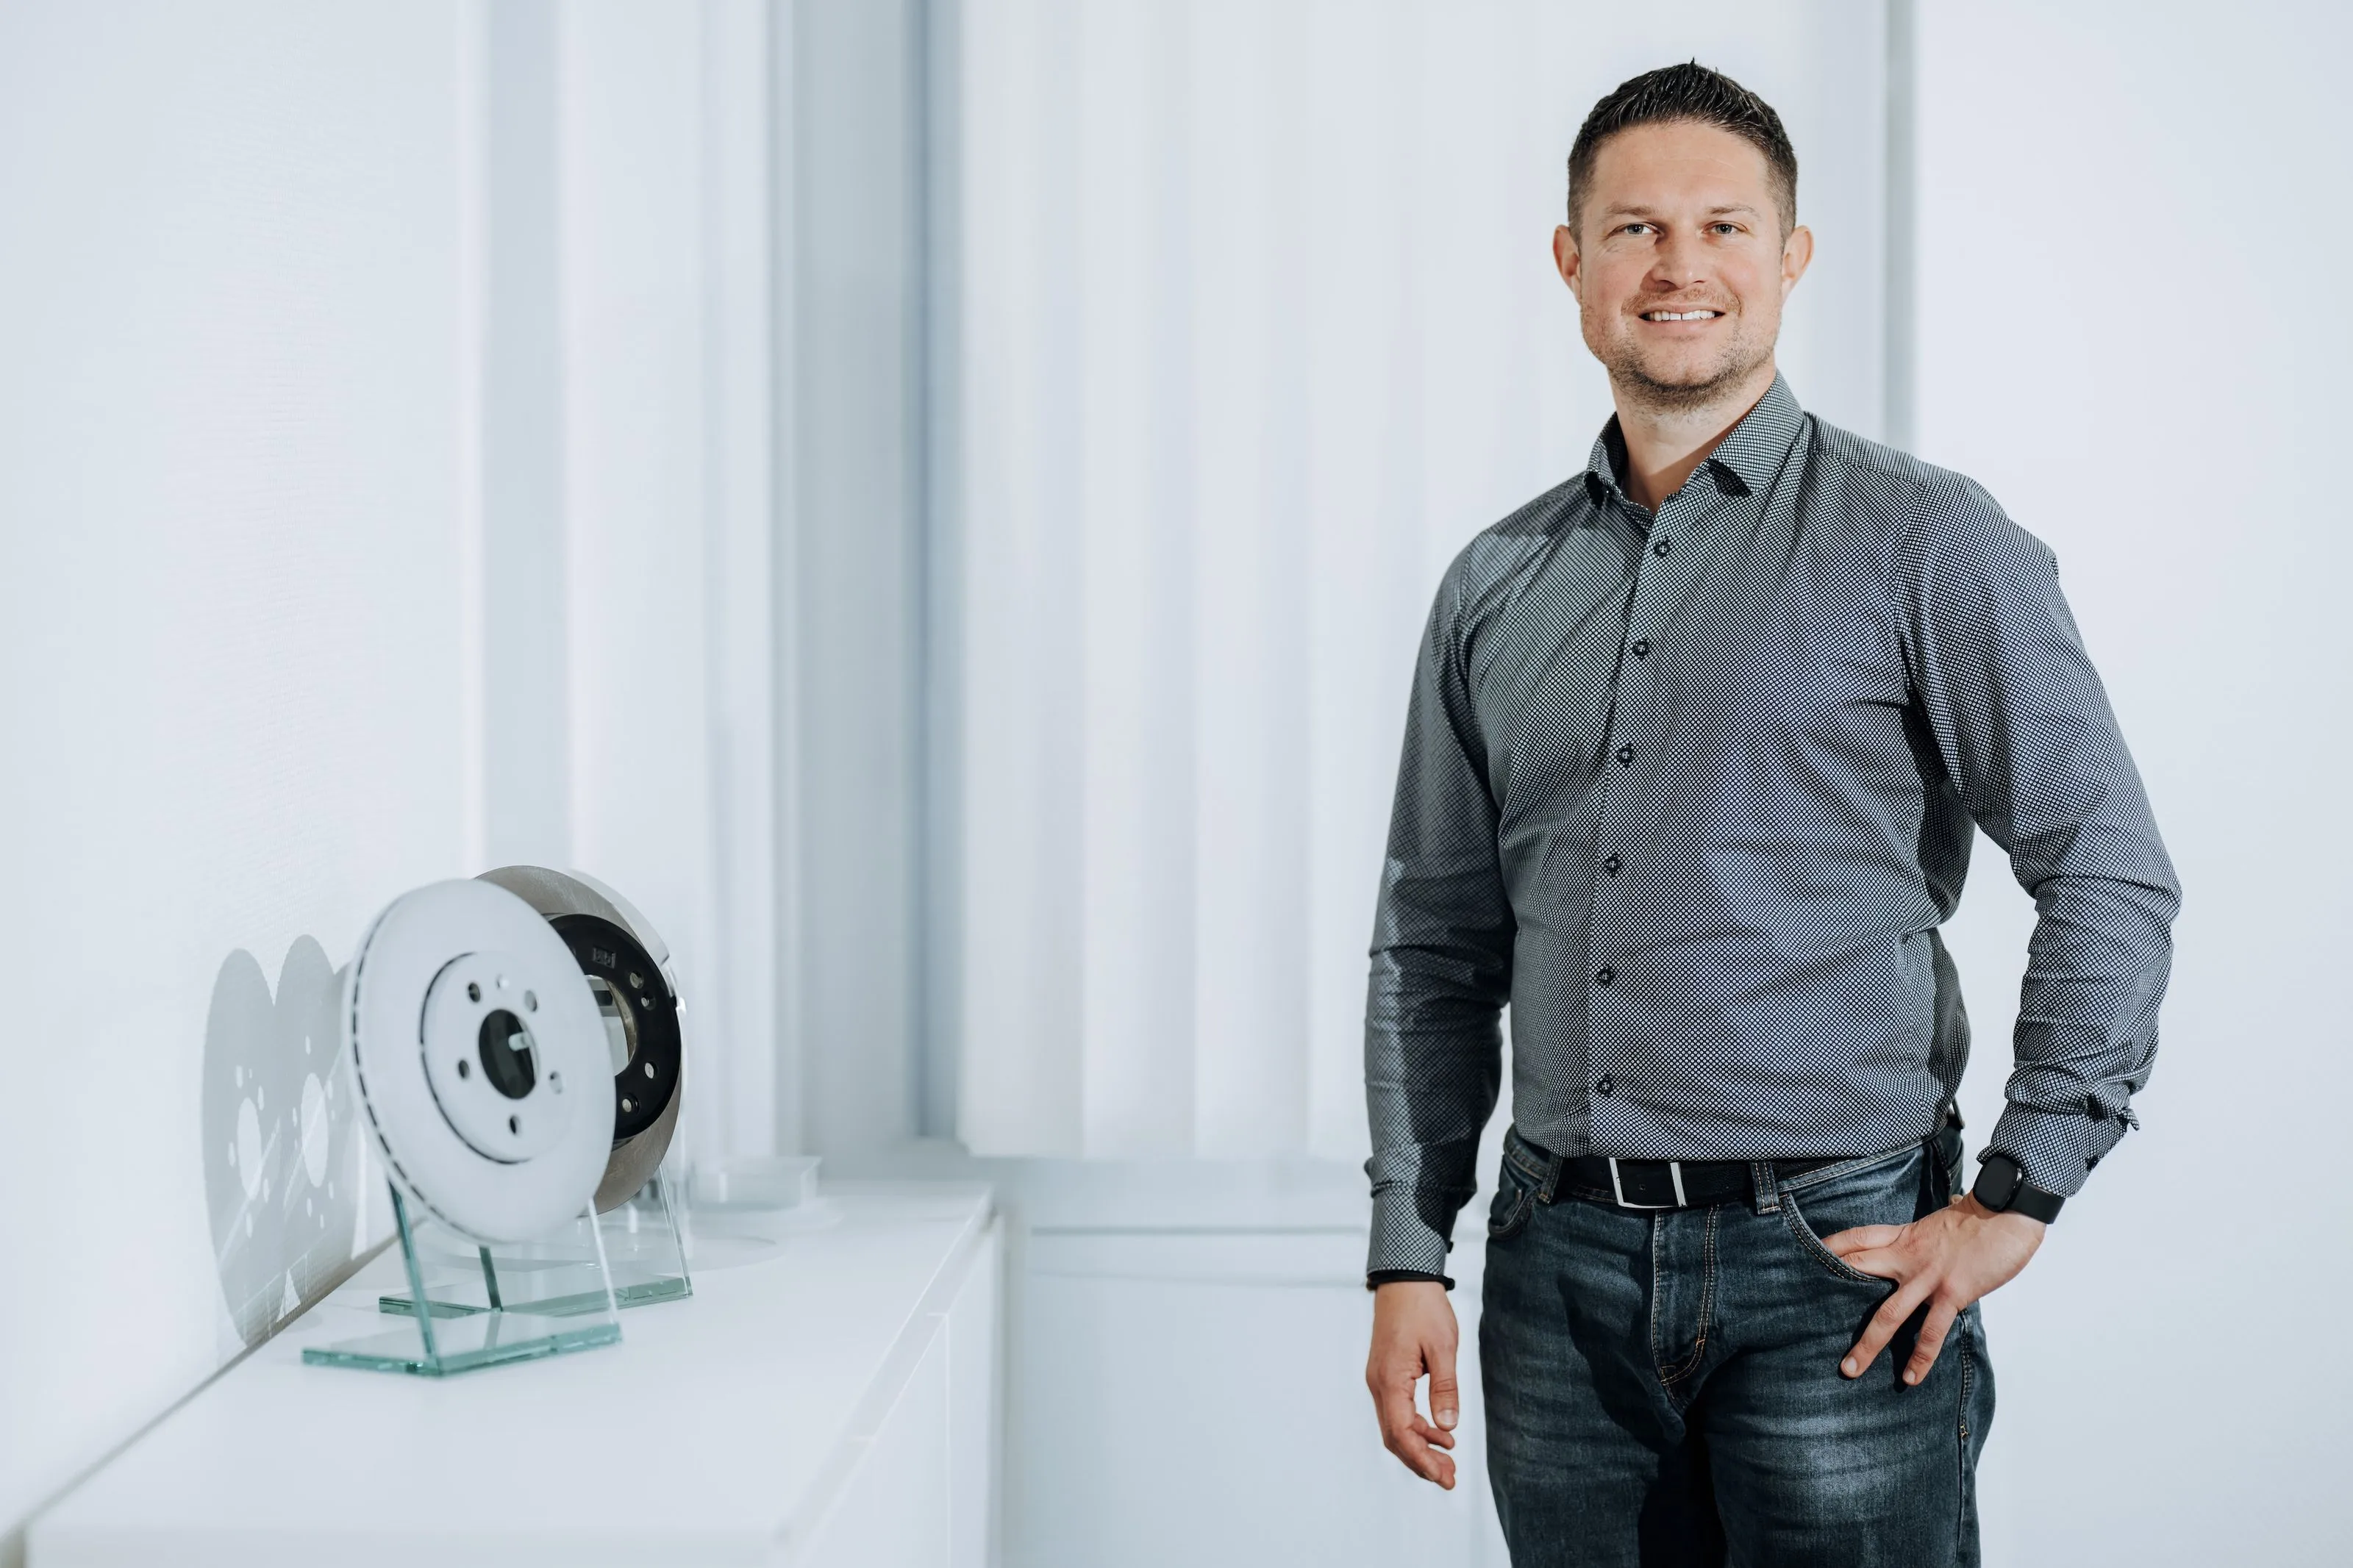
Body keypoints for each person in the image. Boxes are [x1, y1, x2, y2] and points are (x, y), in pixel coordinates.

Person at [1358, 62, 2179, 1567]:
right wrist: (1408, 1253)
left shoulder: (1928, 542)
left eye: (1723, 225)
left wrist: (2023, 1187)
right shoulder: (1492, 585)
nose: (1679, 266)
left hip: (1841, 1273)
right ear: (1572, 261)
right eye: (1633, 229)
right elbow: (1432, 945)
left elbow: (2105, 864)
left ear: (1789, 255)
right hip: (1558, 1278)